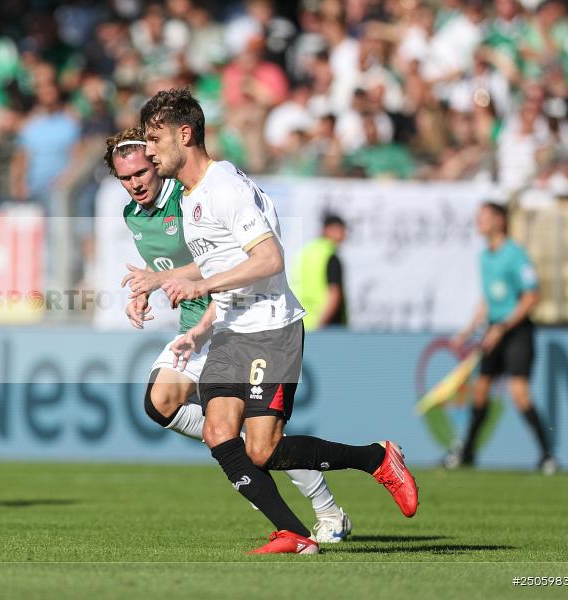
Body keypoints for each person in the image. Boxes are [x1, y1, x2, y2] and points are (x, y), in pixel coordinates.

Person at [133, 89, 417, 554]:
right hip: (230, 328)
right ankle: (296, 534)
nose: (149, 150)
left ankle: (377, 458)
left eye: (154, 138)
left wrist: (204, 288)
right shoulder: (191, 195)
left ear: (185, 135)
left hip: (270, 329)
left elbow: (268, 259)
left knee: (263, 449)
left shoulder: (224, 188)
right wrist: (160, 280)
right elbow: (214, 262)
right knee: (218, 433)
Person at [113, 128, 353, 543]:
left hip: (226, 316)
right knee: (162, 405)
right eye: (125, 177)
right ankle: (251, 454)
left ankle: (325, 510)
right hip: (194, 323)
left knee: (249, 438)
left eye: (141, 172)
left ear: (157, 164)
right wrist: (144, 292)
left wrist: (167, 281)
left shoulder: (188, 197)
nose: (135, 183)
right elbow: (171, 268)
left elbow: (217, 265)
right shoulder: (133, 215)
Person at [448, 202, 557, 474]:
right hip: (494, 330)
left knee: (519, 393)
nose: (479, 223)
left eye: (484, 218)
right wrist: (467, 329)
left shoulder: (516, 254)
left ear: (500, 221)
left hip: (516, 331)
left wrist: (502, 327)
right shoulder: (485, 256)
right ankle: (468, 453)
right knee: (480, 392)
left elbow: (531, 297)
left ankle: (547, 455)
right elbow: (487, 300)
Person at [292, 214, 348, 330]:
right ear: (327, 230)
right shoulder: (330, 256)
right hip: (326, 325)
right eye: (340, 229)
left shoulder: (306, 252)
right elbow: (334, 293)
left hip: (302, 322)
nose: (344, 234)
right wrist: (320, 324)